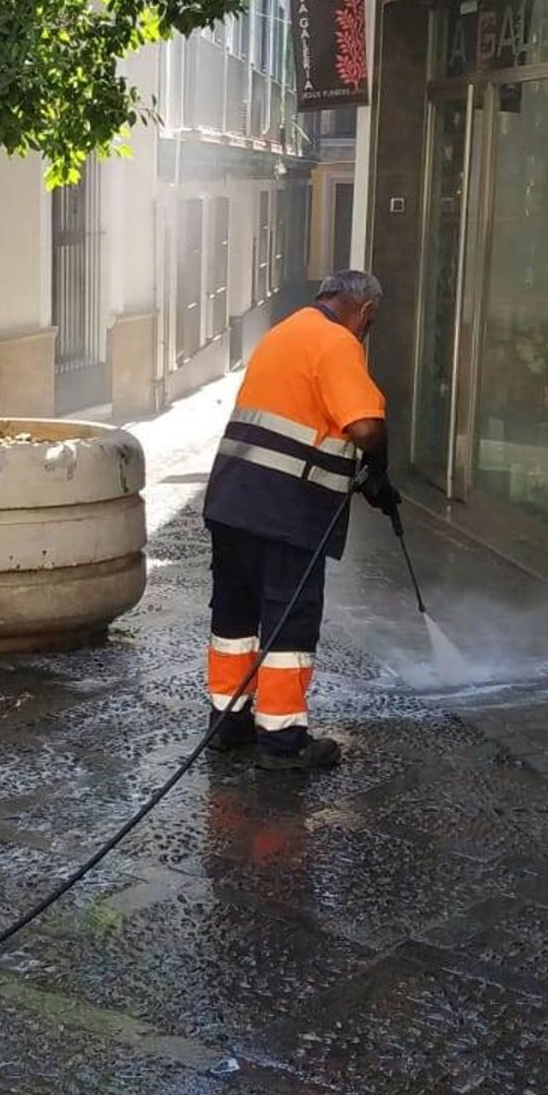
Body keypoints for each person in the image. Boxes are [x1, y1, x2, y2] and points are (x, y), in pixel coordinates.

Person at [203, 268, 398, 773]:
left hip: (232, 499)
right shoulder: (336, 343)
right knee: (289, 621)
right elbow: (365, 426)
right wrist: (378, 470)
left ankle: (227, 725)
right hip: (285, 511)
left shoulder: (285, 331)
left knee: (235, 617)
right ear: (365, 311)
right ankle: (282, 741)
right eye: (371, 321)